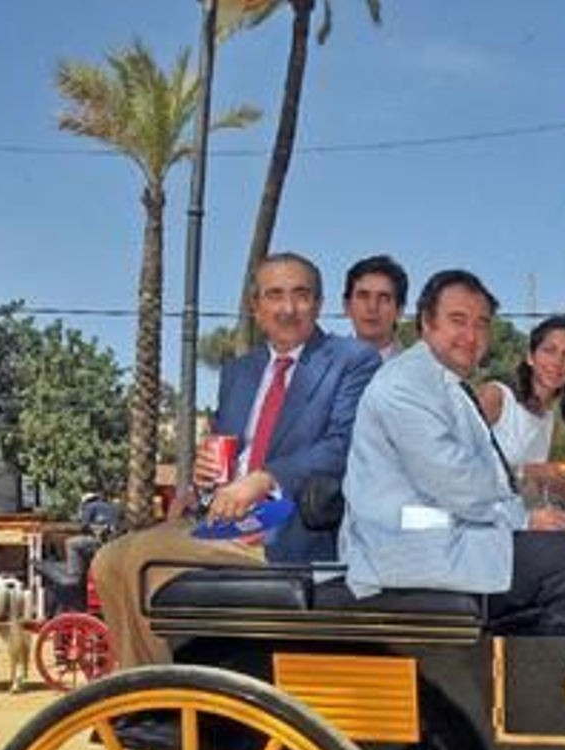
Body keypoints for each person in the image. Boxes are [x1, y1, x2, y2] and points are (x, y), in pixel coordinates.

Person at [92, 252, 380, 667]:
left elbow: (343, 446)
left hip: (290, 528)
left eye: (301, 295)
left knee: (142, 559)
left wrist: (266, 479)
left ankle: (159, 695)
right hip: (227, 521)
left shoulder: (352, 360)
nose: (287, 308)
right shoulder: (239, 372)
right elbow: (228, 452)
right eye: (274, 295)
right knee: (107, 561)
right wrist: (201, 483)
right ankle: (152, 690)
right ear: (255, 307)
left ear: (318, 304)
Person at [339, 270, 565, 635]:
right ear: (426, 323)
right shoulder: (405, 385)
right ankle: (555, 688)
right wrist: (524, 520)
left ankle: (515, 677)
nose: (471, 336)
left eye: (481, 325)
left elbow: (487, 479)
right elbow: (454, 481)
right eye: (458, 321)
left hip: (451, 537)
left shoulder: (449, 385)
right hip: (408, 551)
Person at [475, 314, 565, 467]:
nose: (558, 362)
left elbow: (526, 483)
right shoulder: (496, 396)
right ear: (530, 357)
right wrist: (526, 474)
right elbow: (449, 459)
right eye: (549, 350)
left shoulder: (548, 417)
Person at [344, 254, 409, 358]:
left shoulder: (423, 370)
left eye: (384, 298)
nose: (372, 307)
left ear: (400, 310)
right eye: (363, 296)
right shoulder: (319, 366)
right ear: (347, 306)